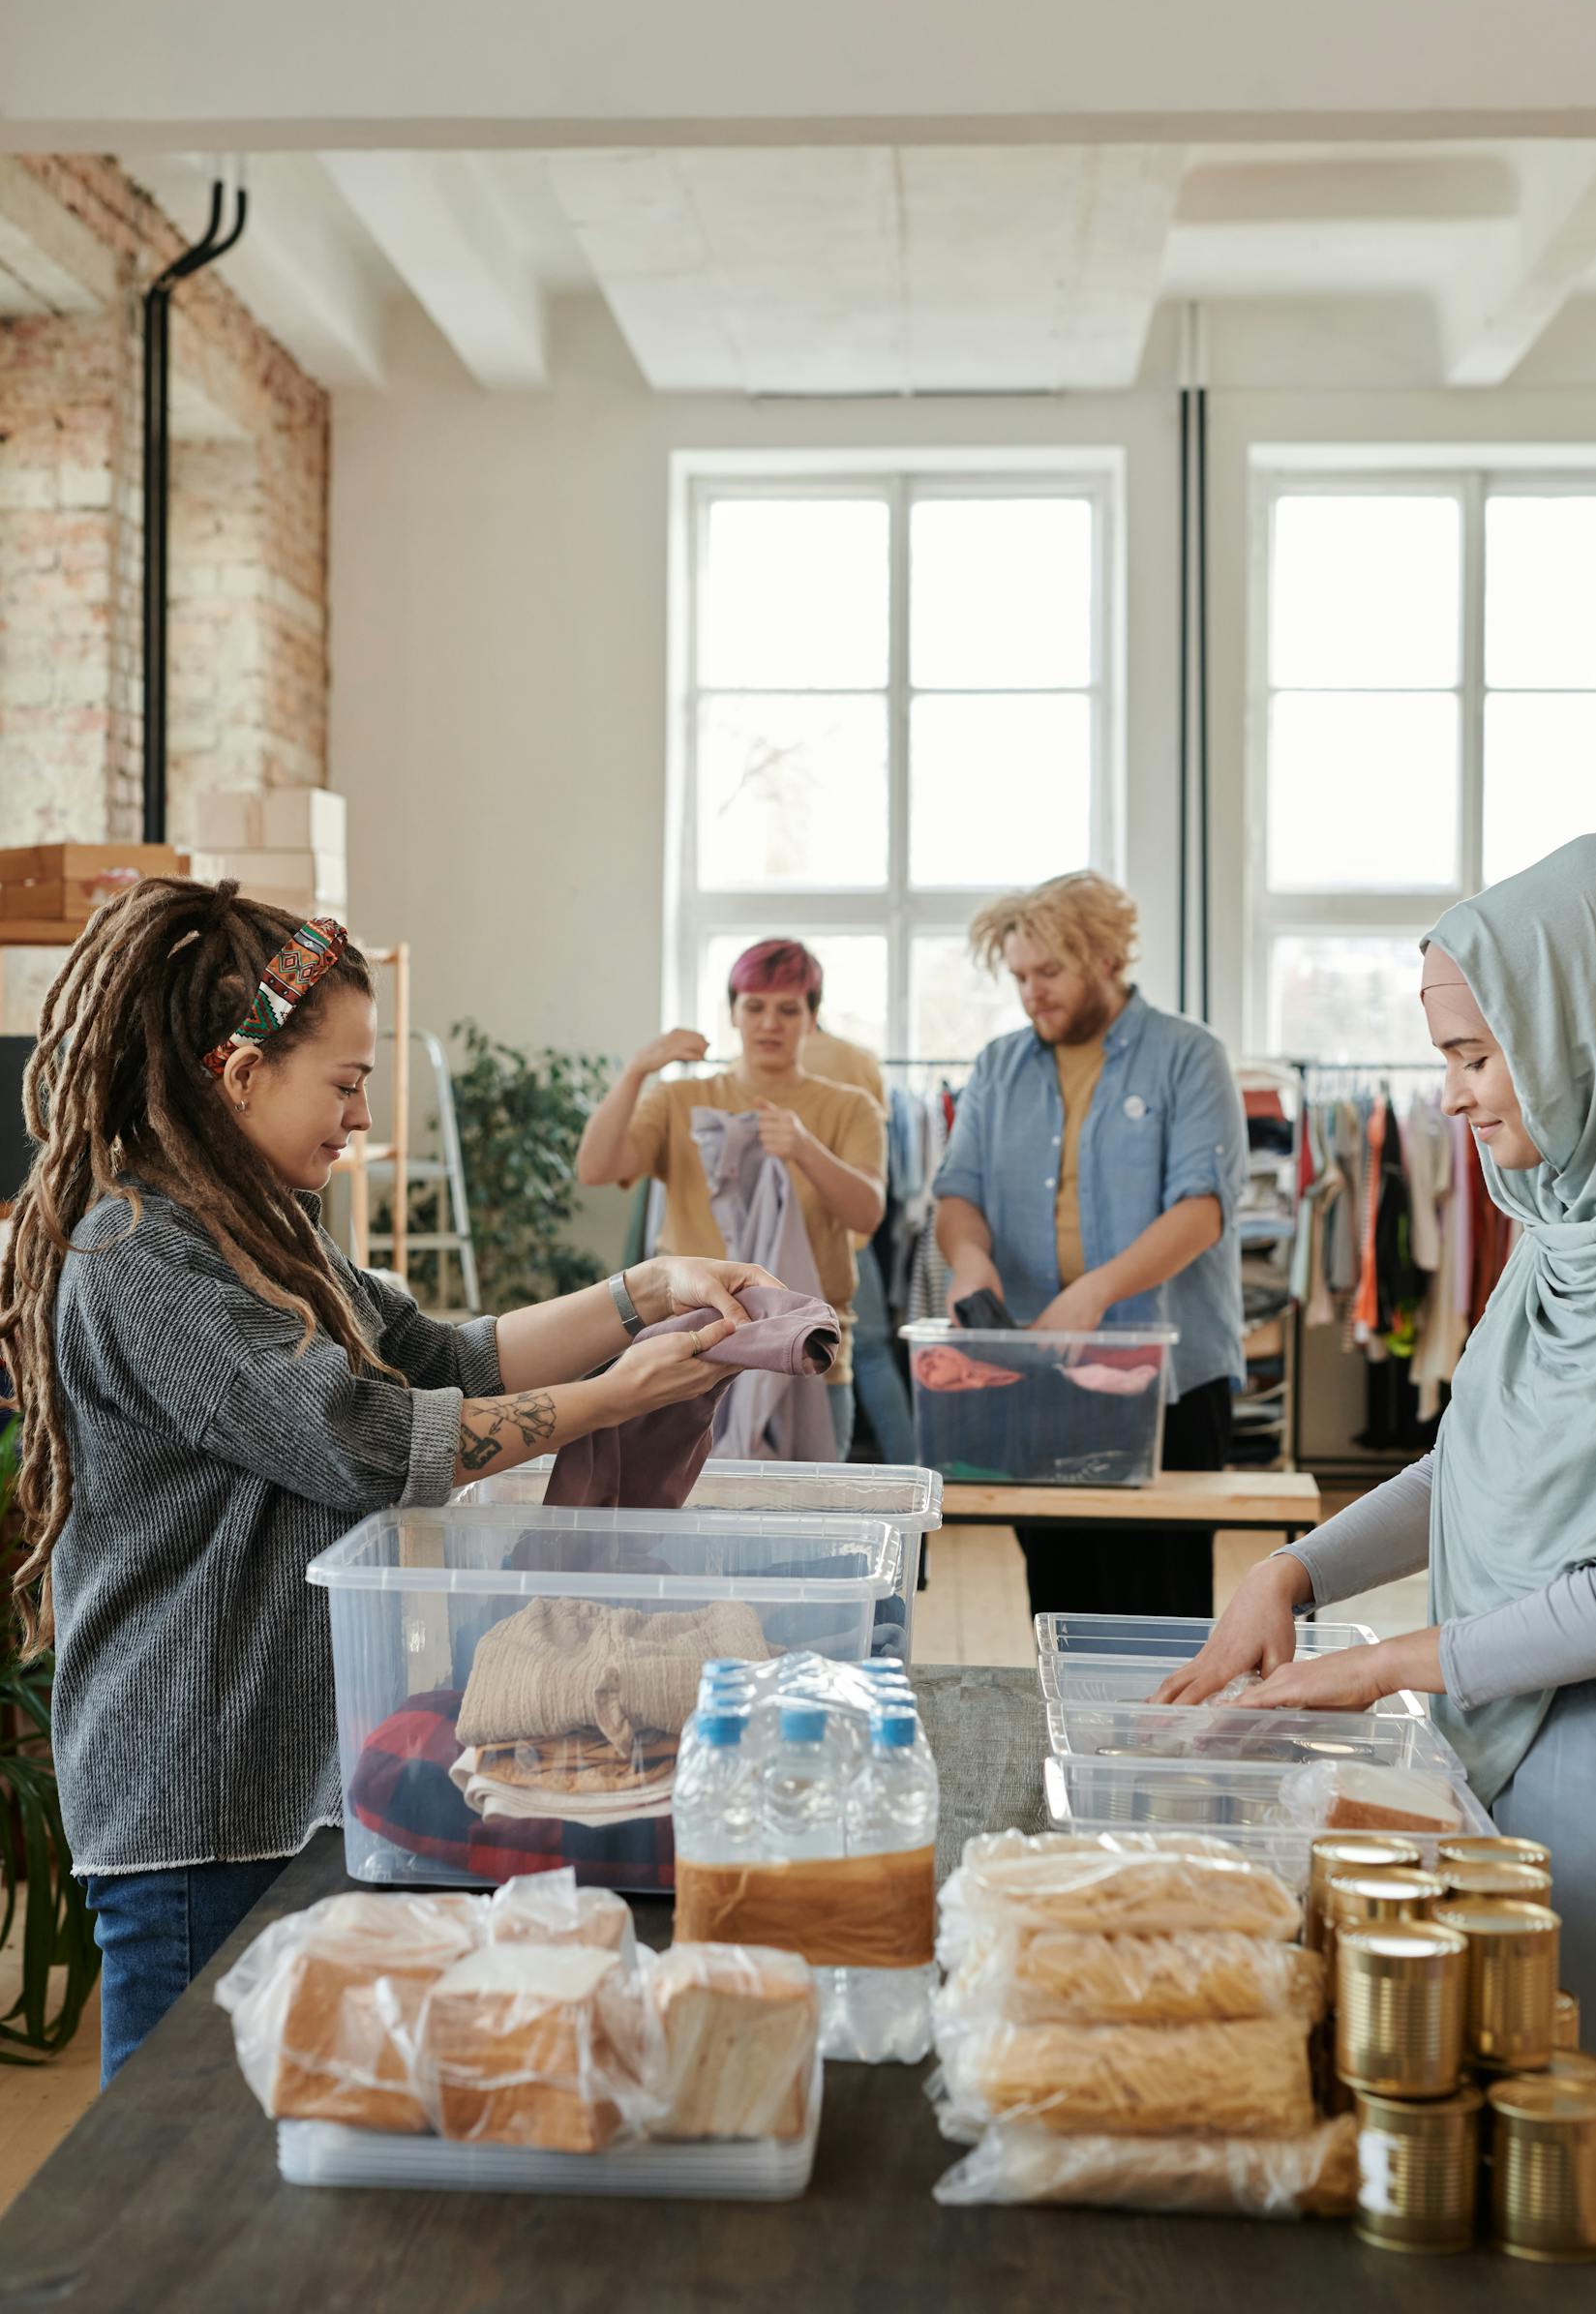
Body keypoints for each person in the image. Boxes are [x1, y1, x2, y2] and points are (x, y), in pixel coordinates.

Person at [0, 879, 777, 2083]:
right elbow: (362, 1440)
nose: (360, 1118)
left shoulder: (263, 1225)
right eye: (346, 1083)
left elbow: (438, 1356)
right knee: (162, 2174)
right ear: (241, 1069)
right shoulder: (138, 1254)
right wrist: (617, 1395)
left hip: (284, 1772)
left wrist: (647, 1291)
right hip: (194, 1797)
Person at [1157, 829, 1596, 2255]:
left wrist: (1390, 1666)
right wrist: (1292, 1569)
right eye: (1442, 1059)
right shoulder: (1565, 1229)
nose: (1449, 1101)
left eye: (1478, 1059)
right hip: (1511, 1727)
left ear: (1585, 1030)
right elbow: (1470, 1468)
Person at [933, 871, 1245, 1621]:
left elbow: (1200, 1211)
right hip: (1040, 1375)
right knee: (1060, 1594)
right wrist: (970, 1261)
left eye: (1049, 973)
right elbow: (957, 1194)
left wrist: (1092, 1293)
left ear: (1106, 958)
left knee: (1160, 1598)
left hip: (1168, 1381)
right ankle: (1069, 1739)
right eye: (1019, 977)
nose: (1031, 992)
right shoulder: (997, 1068)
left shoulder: (1188, 1056)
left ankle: (1162, 1740)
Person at [576, 939, 887, 1460]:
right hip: (689, 1353)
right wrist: (636, 1072)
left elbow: (868, 1214)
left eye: (788, 1009)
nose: (770, 1023)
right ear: (734, 1014)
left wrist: (806, 1150)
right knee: (680, 1527)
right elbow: (596, 1168)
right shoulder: (680, 1100)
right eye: (755, 1007)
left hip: (811, 1356)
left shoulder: (850, 1108)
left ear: (812, 1019)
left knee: (807, 1530)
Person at [801, 1021, 917, 1466]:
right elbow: (880, 1134)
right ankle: (913, 1474)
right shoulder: (859, 1059)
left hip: (782, 1243)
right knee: (868, 1353)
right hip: (849, 1237)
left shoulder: (748, 1069)